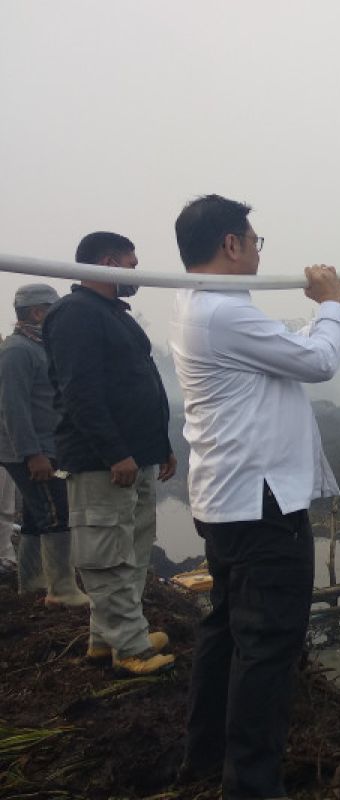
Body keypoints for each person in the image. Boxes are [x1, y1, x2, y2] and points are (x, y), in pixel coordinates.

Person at [170, 194, 340, 799]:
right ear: (231, 244)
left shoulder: (204, 306)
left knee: (227, 631)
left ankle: (204, 760)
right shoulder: (221, 314)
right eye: (256, 241)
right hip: (262, 507)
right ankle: (250, 787)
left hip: (229, 502)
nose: (260, 251)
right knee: (267, 647)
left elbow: (289, 350)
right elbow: (318, 364)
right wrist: (329, 306)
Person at [42, 232, 177, 676]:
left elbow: (141, 384)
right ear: (107, 261)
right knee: (107, 555)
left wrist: (161, 448)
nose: (137, 273)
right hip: (104, 463)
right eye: (131, 265)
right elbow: (80, 392)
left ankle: (110, 637)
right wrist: (115, 452)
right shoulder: (75, 314)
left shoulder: (112, 315)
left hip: (136, 458)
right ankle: (130, 649)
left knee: (133, 551)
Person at [0, 284, 89, 606]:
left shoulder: (40, 347)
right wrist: (32, 454)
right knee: (56, 513)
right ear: (38, 313)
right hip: (30, 450)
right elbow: (13, 407)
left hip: (46, 446)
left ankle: (33, 582)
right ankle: (62, 589)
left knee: (38, 517)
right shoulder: (17, 351)